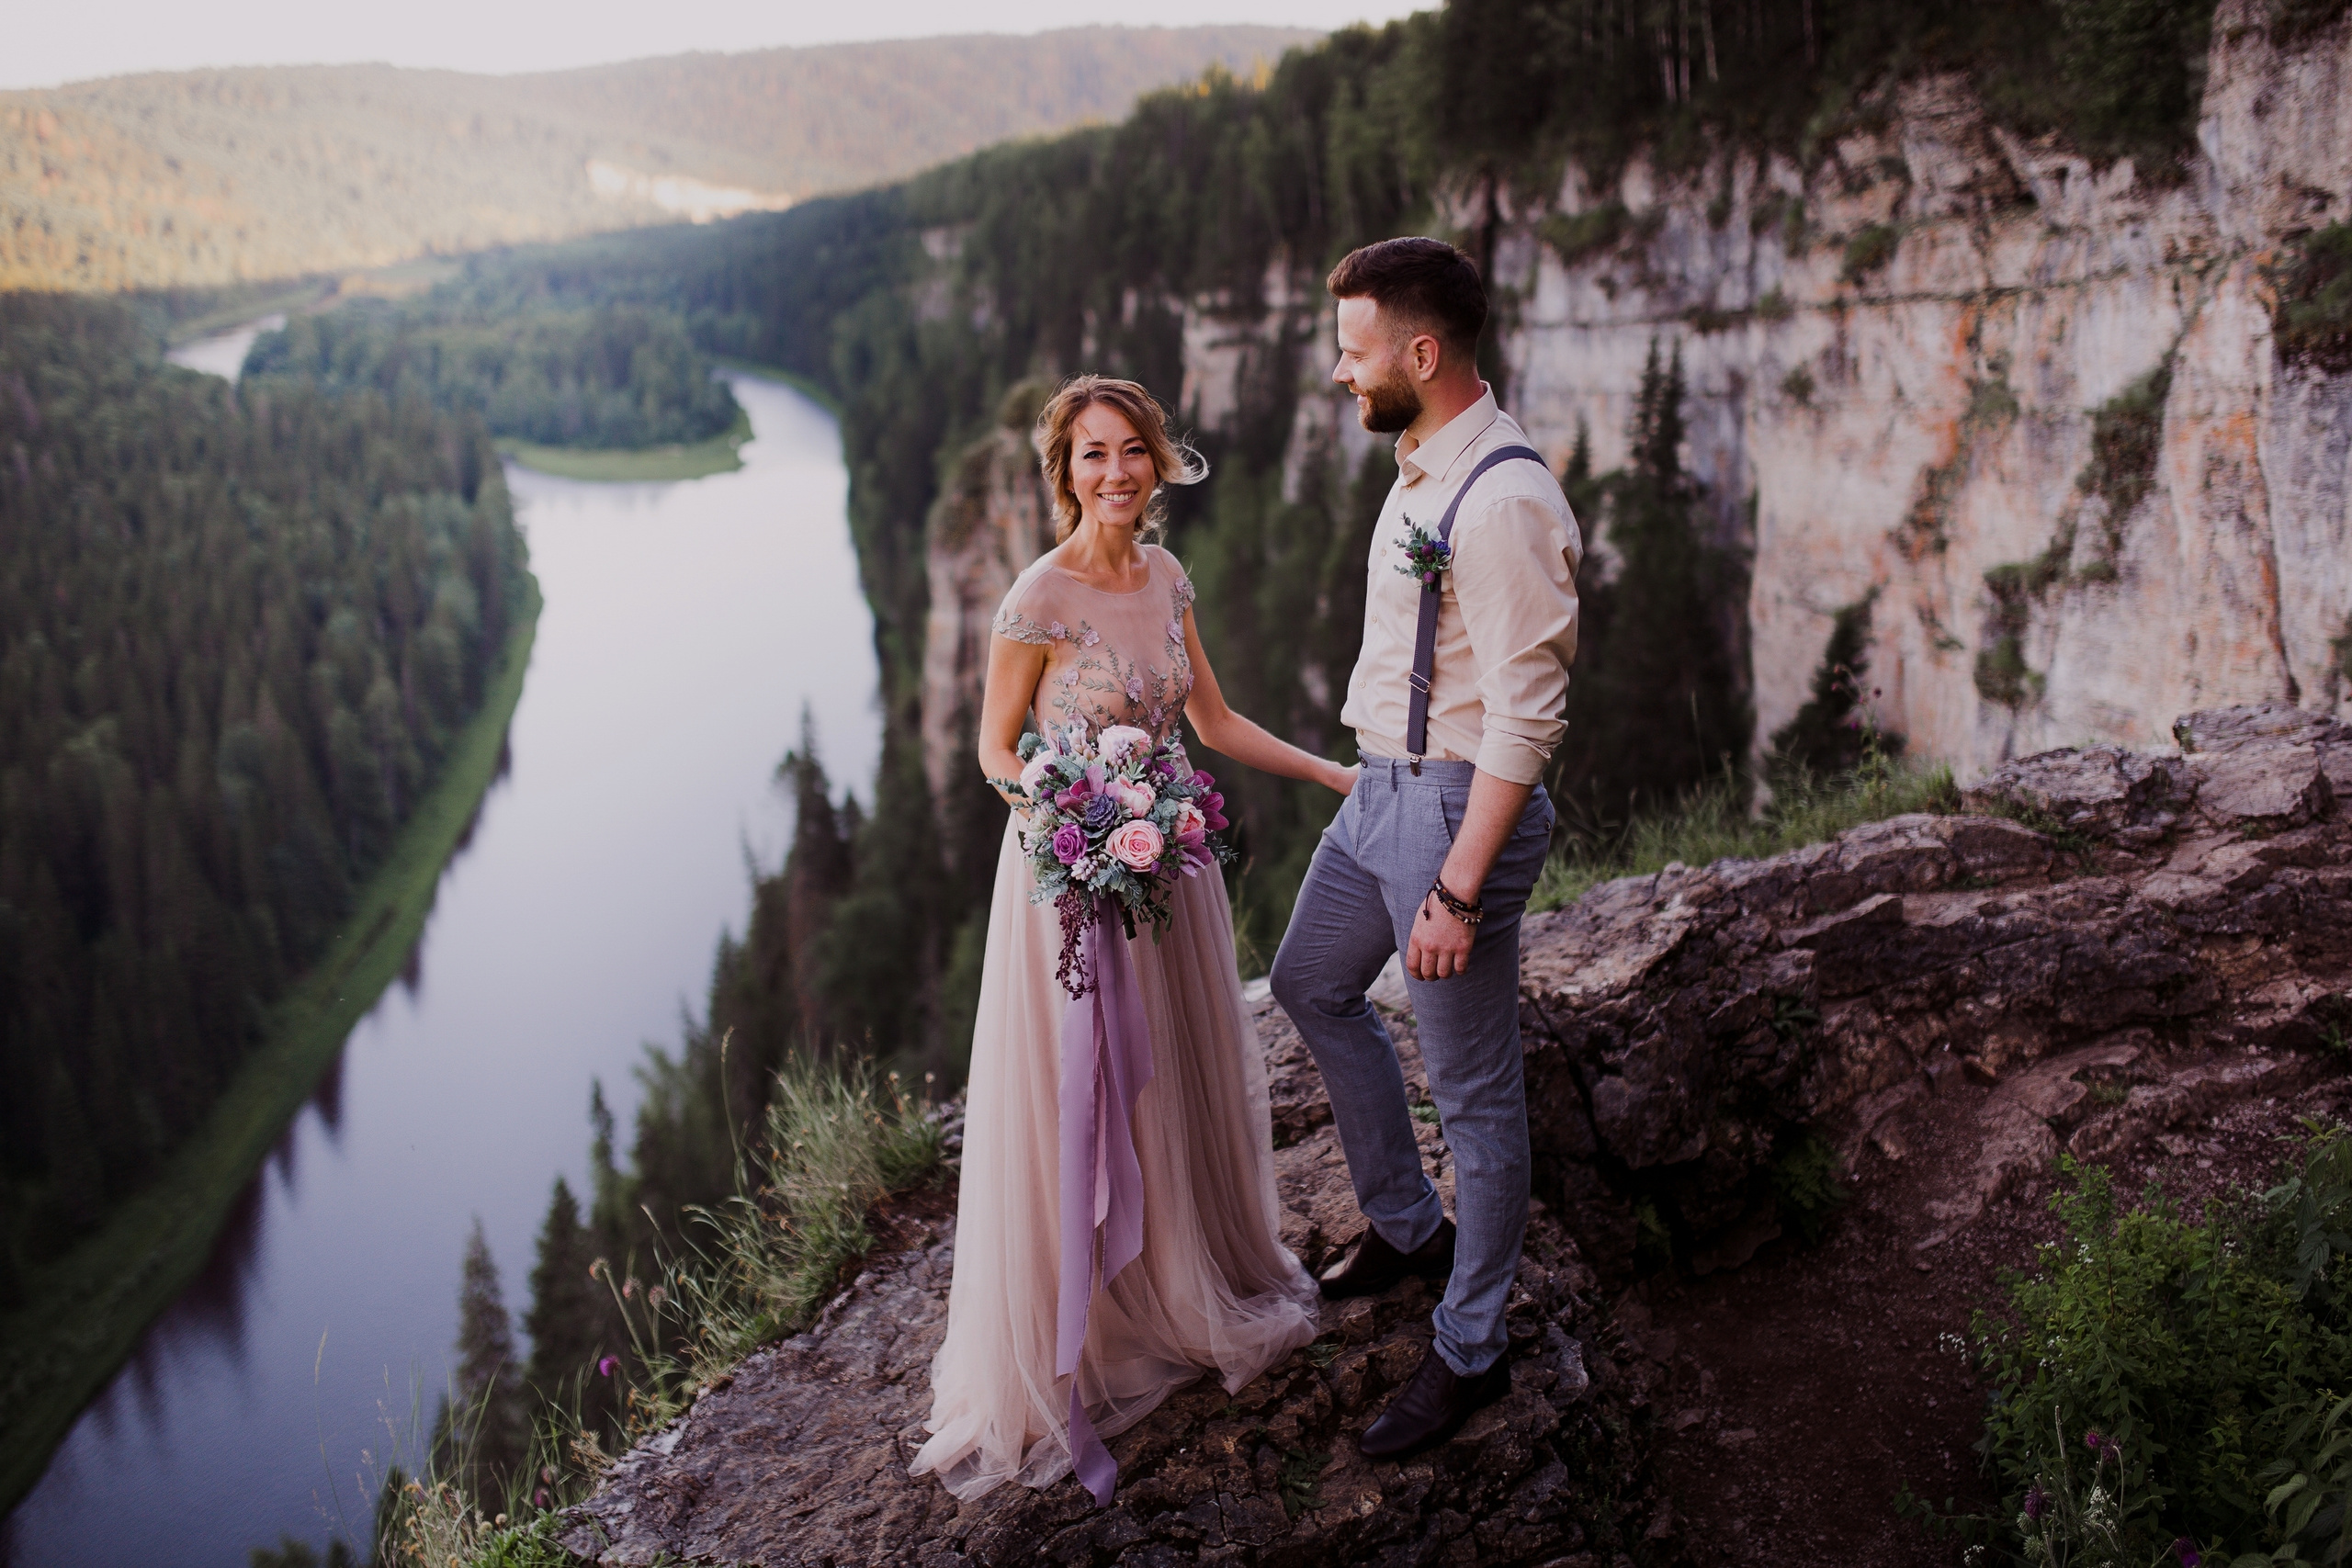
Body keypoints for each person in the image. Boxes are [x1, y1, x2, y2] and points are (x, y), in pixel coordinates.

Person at [910, 374, 1351, 1502]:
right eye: (1092, 455)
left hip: (1169, 881)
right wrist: (1064, 813)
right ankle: (1095, 1326)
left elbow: (1211, 721)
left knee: (1177, 1083)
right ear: (1064, 474)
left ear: (1158, 462)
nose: (1115, 472)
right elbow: (994, 749)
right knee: (1086, 1092)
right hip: (1070, 882)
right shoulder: (1037, 595)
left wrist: (1328, 770)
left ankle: (1190, 1280)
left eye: (1132, 452)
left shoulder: (1164, 578)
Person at [1270, 237, 1582, 1461]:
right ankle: (1408, 1224)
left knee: (1476, 1093)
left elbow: (1527, 719)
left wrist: (1456, 891)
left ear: (1421, 351)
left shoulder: (1501, 501)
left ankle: (1472, 1347)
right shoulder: (1418, 467)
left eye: (1354, 352)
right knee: (1307, 979)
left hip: (1456, 816)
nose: (1340, 374)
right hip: (1382, 796)